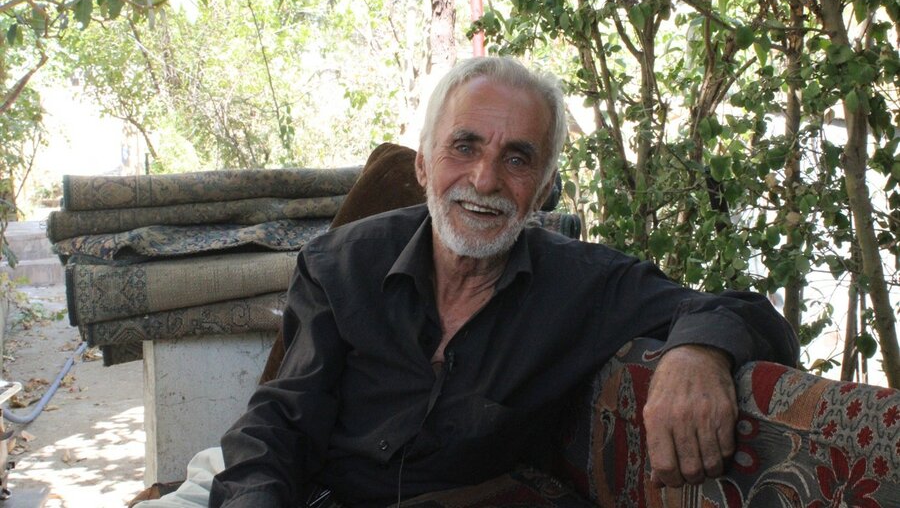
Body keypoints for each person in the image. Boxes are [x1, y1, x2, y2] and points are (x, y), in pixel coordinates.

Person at [141, 57, 799, 508]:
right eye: (465, 147)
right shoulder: (341, 264)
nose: (484, 180)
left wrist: (697, 353)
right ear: (424, 164)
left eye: (517, 158)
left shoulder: (581, 286)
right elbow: (279, 425)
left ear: (543, 190)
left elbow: (740, 309)